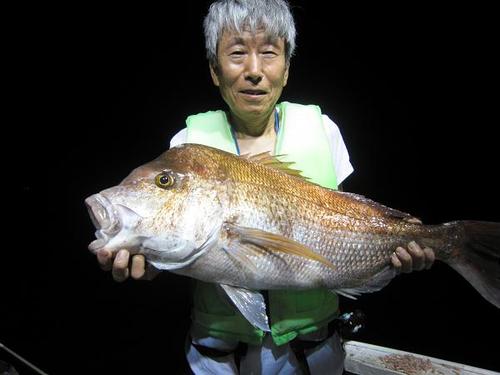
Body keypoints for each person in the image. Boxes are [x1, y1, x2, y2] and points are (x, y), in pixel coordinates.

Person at [95, 0, 436, 373]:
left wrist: (404, 247)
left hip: (315, 351)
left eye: (269, 53)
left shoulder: (324, 132)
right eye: (237, 53)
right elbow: (185, 242)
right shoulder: (185, 144)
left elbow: (346, 216)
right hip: (218, 357)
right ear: (215, 69)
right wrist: (149, 263)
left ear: (286, 69)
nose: (254, 71)